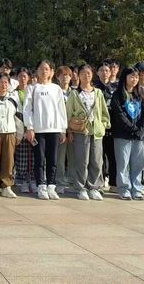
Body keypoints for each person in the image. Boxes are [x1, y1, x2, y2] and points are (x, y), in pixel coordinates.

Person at [23, 60, 68, 201]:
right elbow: (27, 109)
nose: (44, 71)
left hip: (54, 129)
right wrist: (30, 127)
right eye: (41, 68)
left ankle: (51, 186)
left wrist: (63, 129)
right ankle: (41, 186)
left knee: (53, 160)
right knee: (40, 159)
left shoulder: (56, 88)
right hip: (38, 130)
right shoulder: (32, 88)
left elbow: (61, 110)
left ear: (51, 72)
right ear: (37, 71)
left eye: (47, 69)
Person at [66, 64, 111, 201]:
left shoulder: (98, 93)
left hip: (96, 132)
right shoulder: (74, 93)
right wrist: (69, 131)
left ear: (92, 75)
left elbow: (104, 113)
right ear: (78, 75)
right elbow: (68, 113)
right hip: (80, 131)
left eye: (89, 73)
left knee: (96, 160)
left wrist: (103, 125)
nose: (86, 76)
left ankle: (94, 187)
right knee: (82, 161)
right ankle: (81, 187)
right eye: (83, 73)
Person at [110, 66, 144, 200]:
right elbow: (119, 115)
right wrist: (132, 128)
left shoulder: (141, 94)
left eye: (137, 77)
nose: (134, 79)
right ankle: (124, 189)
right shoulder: (118, 95)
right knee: (123, 164)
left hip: (139, 136)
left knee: (138, 164)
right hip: (122, 135)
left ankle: (137, 188)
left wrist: (141, 130)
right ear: (125, 77)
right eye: (132, 76)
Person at [95, 62, 117, 190]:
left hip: (113, 126)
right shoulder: (94, 87)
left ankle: (114, 182)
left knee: (113, 155)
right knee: (99, 156)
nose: (104, 73)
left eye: (107, 70)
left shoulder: (116, 87)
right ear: (97, 73)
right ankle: (101, 180)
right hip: (99, 126)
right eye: (102, 70)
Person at [13, 67, 35, 193]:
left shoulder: (33, 91)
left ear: (29, 78)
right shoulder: (13, 93)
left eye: (25, 76)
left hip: (32, 128)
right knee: (21, 156)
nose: (22, 79)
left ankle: (32, 180)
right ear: (17, 78)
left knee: (33, 156)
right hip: (19, 128)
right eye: (20, 76)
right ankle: (22, 181)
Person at [55, 66, 75, 194]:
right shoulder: (55, 91)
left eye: (67, 75)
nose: (65, 77)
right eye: (62, 75)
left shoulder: (75, 93)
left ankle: (72, 181)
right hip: (59, 128)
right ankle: (60, 181)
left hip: (73, 129)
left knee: (73, 157)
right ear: (57, 77)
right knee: (60, 157)